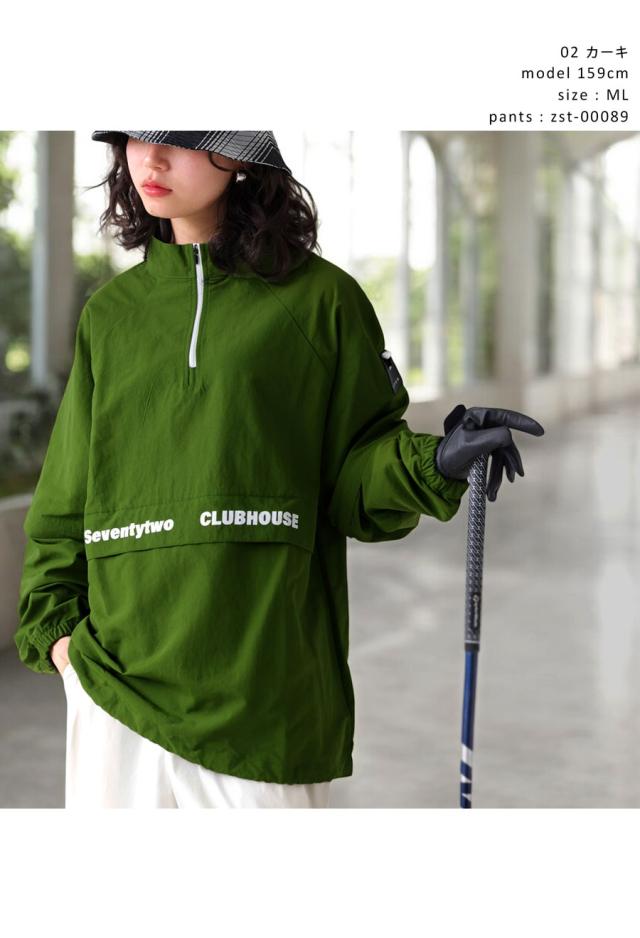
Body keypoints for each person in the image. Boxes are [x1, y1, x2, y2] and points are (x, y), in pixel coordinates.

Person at [14, 130, 544, 809]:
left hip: (264, 692)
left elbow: (355, 476)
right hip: (114, 687)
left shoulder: (322, 301)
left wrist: (435, 461)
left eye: (176, 138)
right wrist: (62, 642)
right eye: (133, 138)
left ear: (238, 152)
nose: (149, 159)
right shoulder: (111, 317)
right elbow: (66, 499)